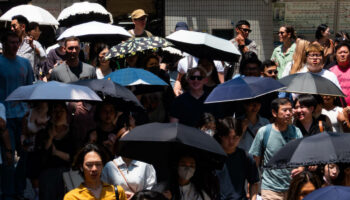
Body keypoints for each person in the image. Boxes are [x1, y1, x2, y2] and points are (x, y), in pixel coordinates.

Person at [0, 31, 34, 199]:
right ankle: (8, 192)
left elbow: (30, 89)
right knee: (8, 157)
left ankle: (19, 191)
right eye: (11, 42)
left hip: (23, 117)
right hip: (4, 118)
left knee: (24, 156)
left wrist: (29, 114)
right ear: (4, 44)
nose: (14, 46)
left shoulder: (25, 63)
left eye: (16, 42)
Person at [249, 98, 303, 200]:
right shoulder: (264, 132)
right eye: (284, 110)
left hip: (293, 189)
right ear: (274, 113)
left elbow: (302, 156)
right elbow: (255, 161)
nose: (288, 113)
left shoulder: (296, 132)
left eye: (290, 110)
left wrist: (301, 168)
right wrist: (252, 186)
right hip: (270, 189)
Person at [214, 117, 260, 200]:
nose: (231, 141)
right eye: (227, 137)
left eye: (235, 137)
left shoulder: (246, 158)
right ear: (220, 136)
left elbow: (254, 183)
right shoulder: (212, 157)